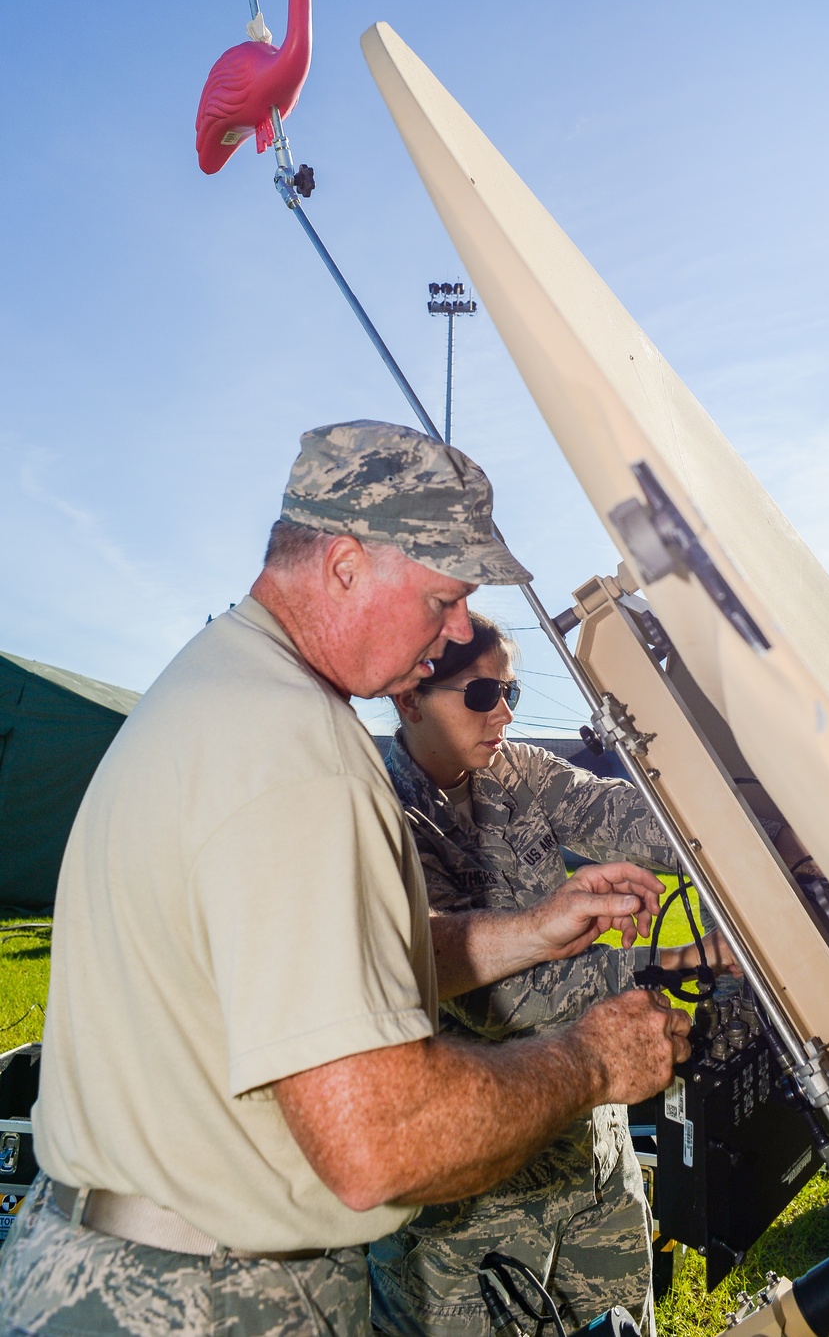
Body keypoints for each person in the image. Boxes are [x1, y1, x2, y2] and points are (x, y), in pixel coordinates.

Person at [0, 420, 693, 1337]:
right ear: (343, 565)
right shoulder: (297, 758)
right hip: (200, 1298)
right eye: (444, 600)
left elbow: (328, 968)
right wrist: (592, 1059)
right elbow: (380, 1145)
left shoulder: (224, 692)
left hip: (117, 1265)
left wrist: (530, 929)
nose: (455, 633)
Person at [369, 612, 737, 1337]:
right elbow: (492, 996)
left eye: (510, 692)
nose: (502, 711)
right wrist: (668, 968)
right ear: (410, 698)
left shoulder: (515, 770)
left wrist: (760, 828)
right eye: (480, 695)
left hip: (590, 1164)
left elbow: (632, 816)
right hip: (468, 1213)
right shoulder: (377, 812)